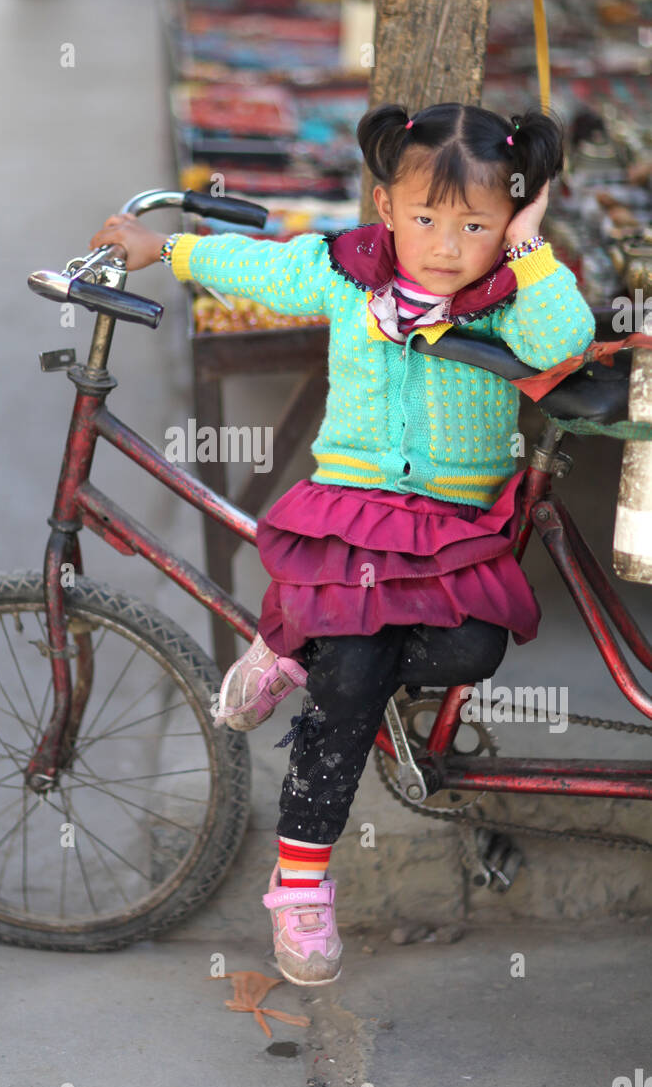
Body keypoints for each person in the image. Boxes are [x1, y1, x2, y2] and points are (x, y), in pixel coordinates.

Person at [88, 102, 596, 985]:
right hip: (353, 517)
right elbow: (259, 267)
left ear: (506, 221)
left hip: (450, 538)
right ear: (385, 208)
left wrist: (526, 241)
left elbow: (568, 340)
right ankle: (301, 883)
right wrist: (166, 249)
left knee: (471, 649)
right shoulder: (346, 273)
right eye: (425, 218)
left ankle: (293, 636)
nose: (444, 244)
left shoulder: (508, 300)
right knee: (354, 677)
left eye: (473, 223)